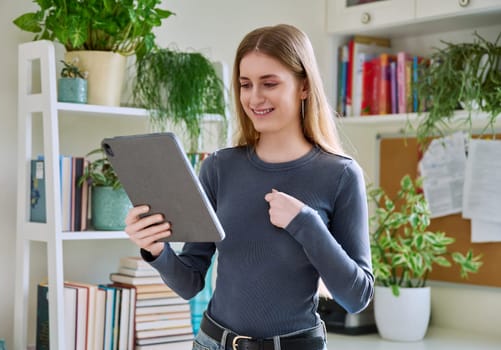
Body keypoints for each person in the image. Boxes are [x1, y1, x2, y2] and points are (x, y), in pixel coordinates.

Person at [124, 24, 374, 350]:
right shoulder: (219, 167)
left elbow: (357, 298)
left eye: (269, 83)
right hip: (213, 343)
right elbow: (190, 283)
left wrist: (305, 223)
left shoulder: (340, 174)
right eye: (245, 84)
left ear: (304, 87)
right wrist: (156, 250)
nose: (254, 97)